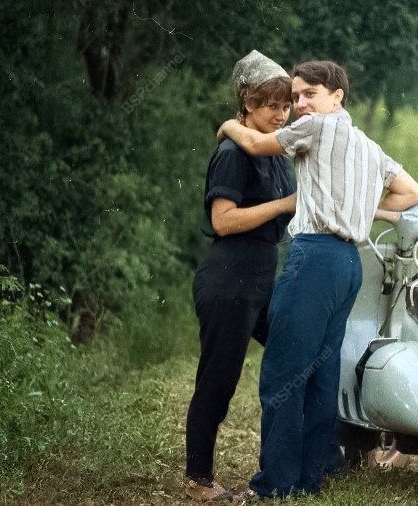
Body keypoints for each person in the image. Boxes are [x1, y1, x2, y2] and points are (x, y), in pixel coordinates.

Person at [216, 59, 418, 501]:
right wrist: (359, 205)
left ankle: (274, 485)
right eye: (294, 98)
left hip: (313, 259)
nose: (300, 104)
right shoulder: (369, 146)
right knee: (322, 371)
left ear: (337, 96)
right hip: (348, 263)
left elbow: (255, 143)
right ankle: (312, 477)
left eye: (308, 93)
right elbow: (411, 191)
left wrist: (226, 127)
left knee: (284, 372)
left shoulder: (318, 128)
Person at [184, 50, 297, 502]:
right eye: (271, 104)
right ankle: (198, 480)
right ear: (247, 102)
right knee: (218, 379)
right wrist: (286, 205)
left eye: (286, 105)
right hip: (228, 279)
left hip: (261, 280)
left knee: (295, 352)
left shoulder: (275, 153)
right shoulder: (231, 153)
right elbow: (225, 220)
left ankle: (312, 458)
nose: (281, 113)